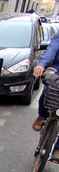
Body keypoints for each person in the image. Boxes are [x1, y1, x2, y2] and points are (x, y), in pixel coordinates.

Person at [33, 30, 59, 161]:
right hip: (57, 70)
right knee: (47, 92)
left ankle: (57, 149)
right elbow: (52, 48)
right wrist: (41, 64)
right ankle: (42, 115)